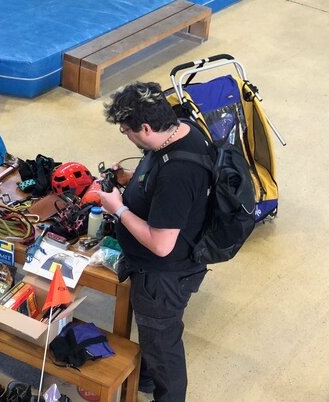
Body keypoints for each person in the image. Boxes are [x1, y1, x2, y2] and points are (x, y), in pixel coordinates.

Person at [97, 82, 211, 402]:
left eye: (126, 131)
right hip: (160, 270)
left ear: (145, 127)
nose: (126, 136)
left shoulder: (179, 172)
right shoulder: (179, 129)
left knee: (163, 349)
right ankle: (145, 377)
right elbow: (155, 173)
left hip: (163, 276)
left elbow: (161, 245)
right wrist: (130, 179)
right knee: (154, 337)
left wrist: (117, 208)